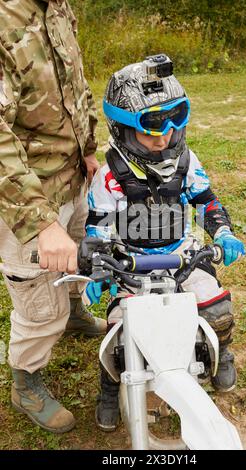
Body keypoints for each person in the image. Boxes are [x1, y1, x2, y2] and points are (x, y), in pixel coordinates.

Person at [83, 54, 246, 431]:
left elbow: (206, 200)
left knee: (217, 309)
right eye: (151, 130)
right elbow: (98, 226)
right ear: (123, 130)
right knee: (116, 330)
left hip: (183, 256)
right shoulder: (109, 177)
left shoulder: (187, 160)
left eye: (174, 125)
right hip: (132, 265)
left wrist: (222, 232)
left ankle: (222, 352)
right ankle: (109, 386)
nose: (164, 138)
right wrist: (99, 267)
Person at [0, 0, 106, 434]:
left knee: (81, 253)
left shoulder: (58, 5)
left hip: (71, 175)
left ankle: (77, 312)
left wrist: (88, 148)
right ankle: (25, 380)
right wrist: (43, 224)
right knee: (39, 306)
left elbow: (74, 82)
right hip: (25, 197)